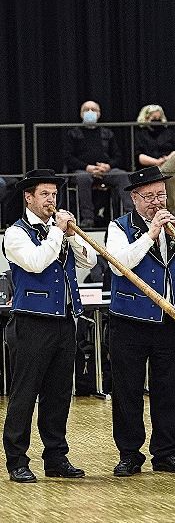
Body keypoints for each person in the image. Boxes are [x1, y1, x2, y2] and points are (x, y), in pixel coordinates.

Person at [106, 165, 175, 477]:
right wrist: (151, 234)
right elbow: (118, 266)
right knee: (127, 391)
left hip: (172, 319)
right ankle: (129, 454)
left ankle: (166, 453)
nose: (157, 202)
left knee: (170, 390)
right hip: (130, 320)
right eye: (149, 196)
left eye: (161, 195)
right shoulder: (119, 227)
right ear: (134, 199)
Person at [2, 169, 97, 483]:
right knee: (24, 394)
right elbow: (36, 262)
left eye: (54, 195)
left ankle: (55, 457)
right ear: (29, 198)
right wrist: (57, 233)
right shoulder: (15, 234)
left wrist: (71, 235)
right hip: (31, 323)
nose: (51, 200)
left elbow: (91, 261)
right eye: (44, 194)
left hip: (64, 321)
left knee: (58, 395)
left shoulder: (60, 232)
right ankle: (16, 459)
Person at [64, 100, 133, 227]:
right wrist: (87, 167)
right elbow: (68, 157)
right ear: (81, 114)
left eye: (93, 110)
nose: (90, 112)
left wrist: (108, 166)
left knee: (122, 175)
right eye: (86, 109)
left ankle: (131, 214)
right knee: (83, 178)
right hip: (83, 170)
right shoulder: (73, 133)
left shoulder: (107, 133)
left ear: (99, 113)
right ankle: (88, 218)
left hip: (105, 170)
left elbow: (118, 156)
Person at [135, 104, 175, 216]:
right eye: (153, 119)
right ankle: (174, 212)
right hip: (151, 167)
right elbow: (139, 157)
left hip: (174, 165)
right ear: (146, 118)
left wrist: (167, 159)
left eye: (158, 119)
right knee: (172, 176)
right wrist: (157, 162)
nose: (156, 121)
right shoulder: (140, 134)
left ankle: (160, 173)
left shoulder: (169, 132)